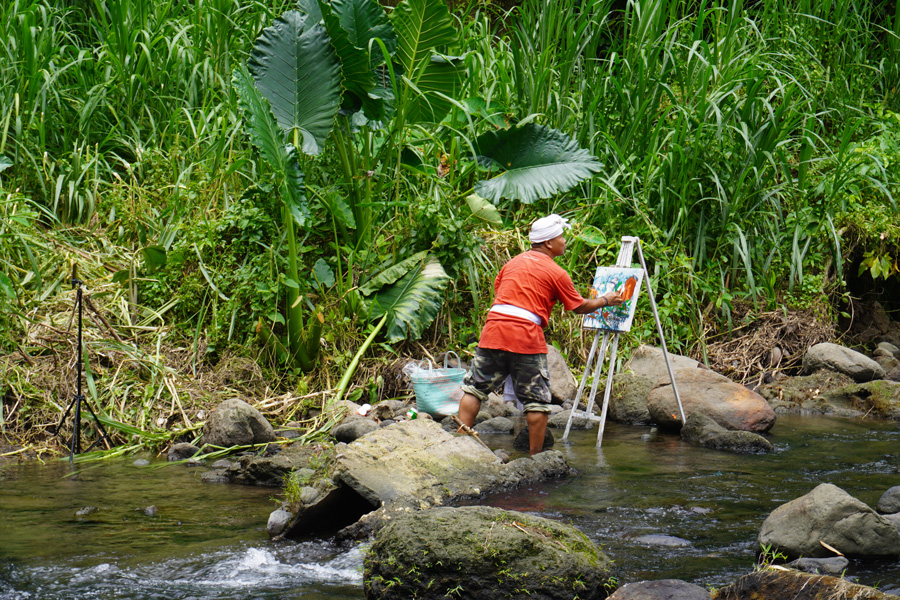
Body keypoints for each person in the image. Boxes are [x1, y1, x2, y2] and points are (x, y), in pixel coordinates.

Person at [458, 214, 626, 455]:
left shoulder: (512, 262)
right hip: (525, 335)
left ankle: (460, 441)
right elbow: (577, 307)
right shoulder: (556, 272)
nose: (565, 241)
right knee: (536, 400)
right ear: (548, 243)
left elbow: (500, 291)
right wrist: (605, 300)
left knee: (475, 387)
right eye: (561, 237)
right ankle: (536, 458)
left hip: (493, 329)